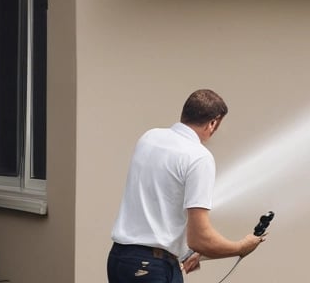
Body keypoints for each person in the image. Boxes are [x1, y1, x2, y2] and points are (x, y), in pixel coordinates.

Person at [108, 89, 265, 283]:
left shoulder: (149, 137)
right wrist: (241, 247)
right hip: (152, 268)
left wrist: (184, 252)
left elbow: (159, 202)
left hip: (120, 259)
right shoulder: (199, 157)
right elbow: (199, 238)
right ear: (213, 122)